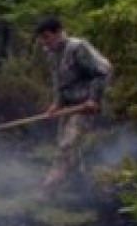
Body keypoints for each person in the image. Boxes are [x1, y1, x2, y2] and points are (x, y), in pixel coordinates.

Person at [35, 16, 112, 197]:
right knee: (68, 146)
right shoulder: (52, 54)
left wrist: (93, 99)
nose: (44, 42)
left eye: (47, 37)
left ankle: (47, 190)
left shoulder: (77, 48)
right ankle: (81, 184)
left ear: (58, 33)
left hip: (85, 106)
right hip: (69, 105)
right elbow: (59, 82)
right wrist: (56, 104)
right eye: (42, 38)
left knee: (67, 145)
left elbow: (101, 74)